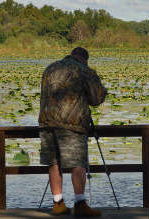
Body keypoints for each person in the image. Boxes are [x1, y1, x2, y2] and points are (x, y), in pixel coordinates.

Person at [39, 47, 107, 217]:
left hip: (47, 122)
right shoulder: (84, 70)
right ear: (85, 59)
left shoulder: (50, 68)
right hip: (72, 124)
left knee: (53, 162)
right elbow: (96, 98)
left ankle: (58, 203)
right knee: (78, 163)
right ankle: (80, 203)